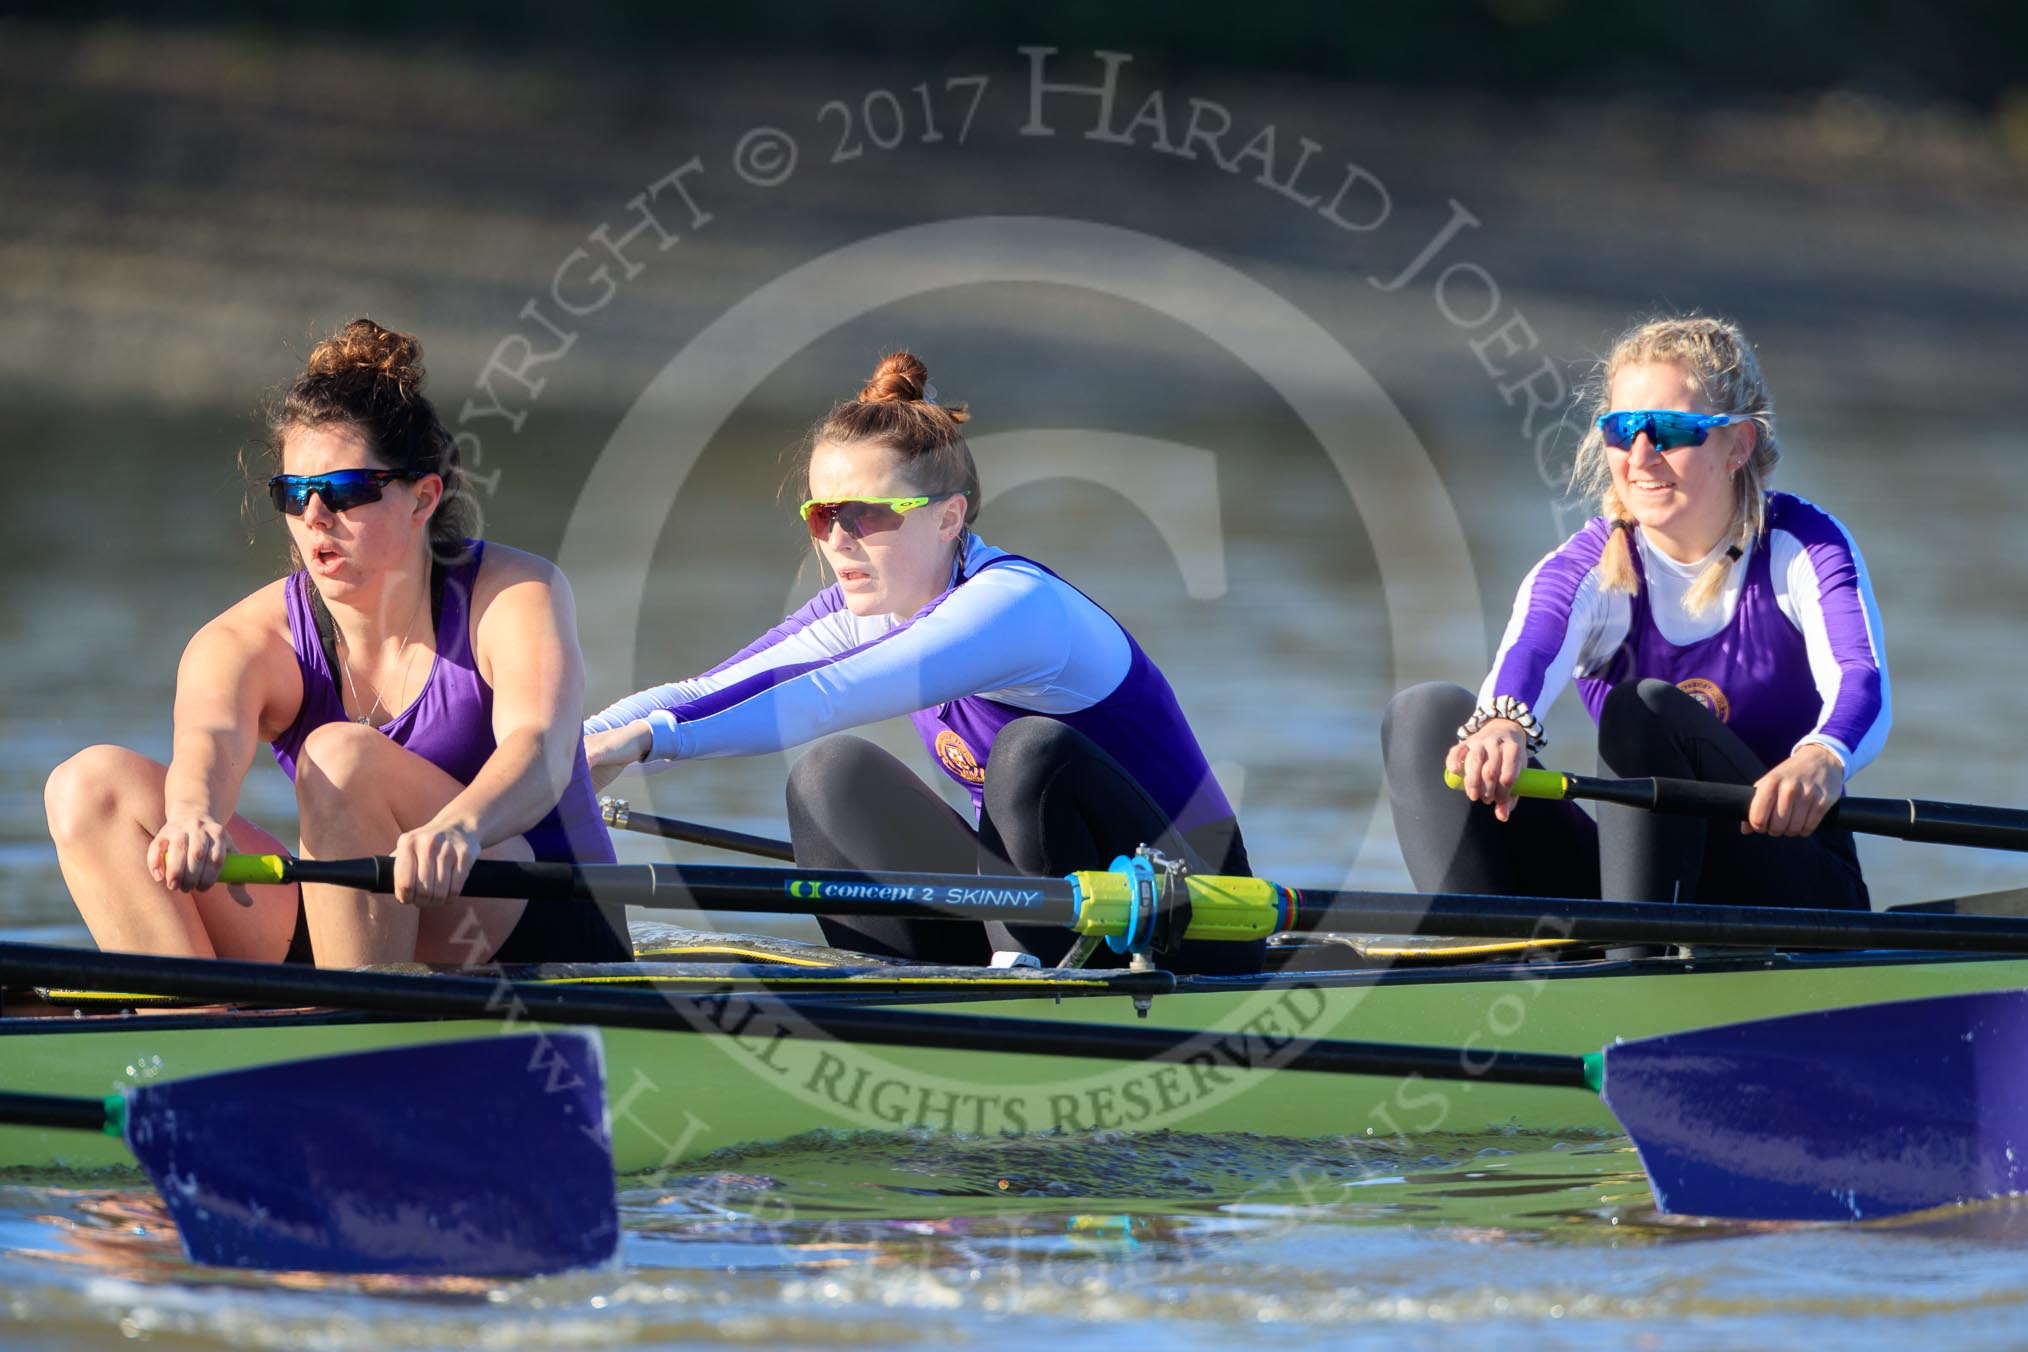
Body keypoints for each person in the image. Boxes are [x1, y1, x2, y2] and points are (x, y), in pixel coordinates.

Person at [583, 352, 1254, 970]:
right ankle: (901, 995)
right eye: (823, 515)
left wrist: (646, 744)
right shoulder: (868, 607)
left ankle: (1038, 1004)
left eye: (870, 516)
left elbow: (826, 694)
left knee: (1028, 752)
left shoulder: (1014, 607)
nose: (840, 540)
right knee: (828, 777)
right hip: (1058, 908)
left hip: (1194, 919)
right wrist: (558, 751)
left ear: (948, 518)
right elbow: (706, 690)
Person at [44, 319, 626, 966]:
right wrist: (194, 816)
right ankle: (190, 1033)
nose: (315, 515)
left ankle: (357, 1036)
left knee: (341, 756)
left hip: (540, 925)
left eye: (345, 491)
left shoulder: (514, 594)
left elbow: (539, 752)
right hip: (362, 917)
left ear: (422, 498)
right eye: (294, 494)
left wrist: (459, 827)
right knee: (88, 786)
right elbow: (209, 743)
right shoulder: (246, 639)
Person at [1383, 315, 1888, 910]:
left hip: (1790, 883)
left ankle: (1634, 962)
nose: (1641, 457)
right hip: (1648, 884)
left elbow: (1862, 679)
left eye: (1671, 430)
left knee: (1643, 709)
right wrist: (1501, 727)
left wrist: (1823, 757)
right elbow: (1533, 651)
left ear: (1737, 444)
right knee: (1427, 716)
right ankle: (1486, 963)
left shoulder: (1802, 545)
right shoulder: (1587, 568)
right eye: (1623, 429)